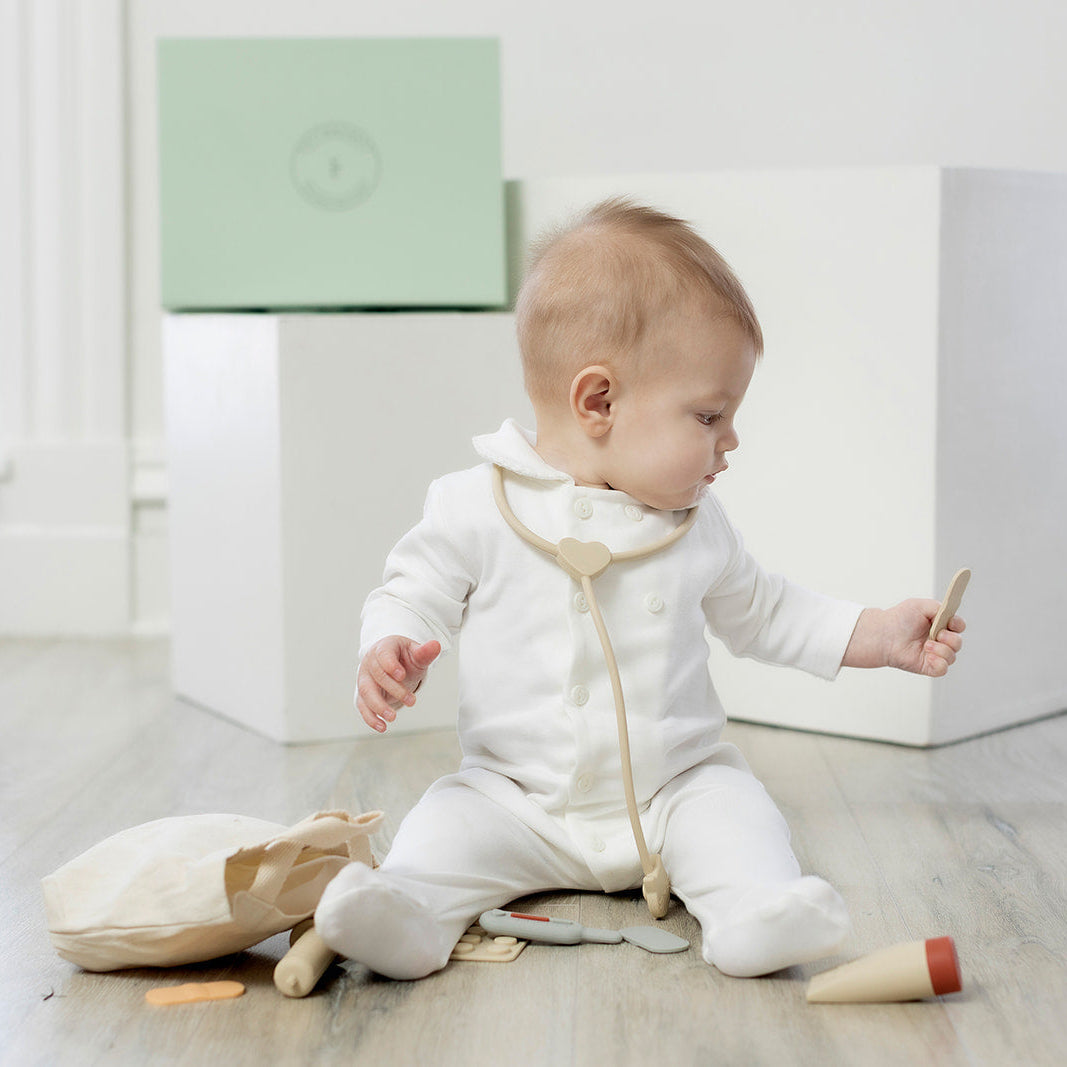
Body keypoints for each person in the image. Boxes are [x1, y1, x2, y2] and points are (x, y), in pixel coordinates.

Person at [314, 198, 965, 980]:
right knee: (445, 824)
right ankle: (408, 914)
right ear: (598, 402)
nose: (730, 440)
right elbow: (410, 591)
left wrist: (879, 633)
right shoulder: (475, 505)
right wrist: (389, 643)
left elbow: (767, 612)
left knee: (735, 810)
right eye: (709, 415)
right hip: (514, 797)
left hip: (670, 791)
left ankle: (753, 912)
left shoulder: (695, 525)